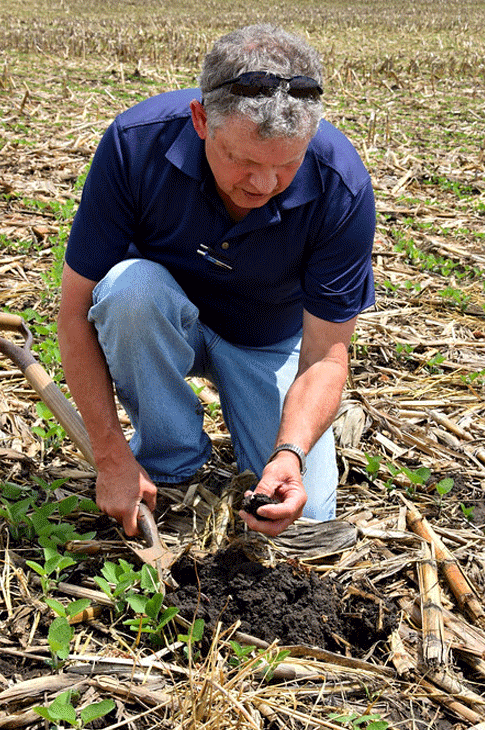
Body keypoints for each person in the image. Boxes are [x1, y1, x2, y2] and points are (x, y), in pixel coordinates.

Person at [57, 24, 376, 539]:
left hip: (264, 339)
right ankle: (169, 457)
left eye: (286, 165)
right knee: (128, 292)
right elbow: (73, 313)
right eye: (244, 160)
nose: (264, 184)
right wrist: (110, 456)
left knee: (303, 519)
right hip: (161, 317)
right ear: (201, 119)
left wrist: (290, 455)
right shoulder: (136, 144)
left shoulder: (341, 187)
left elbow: (324, 357)